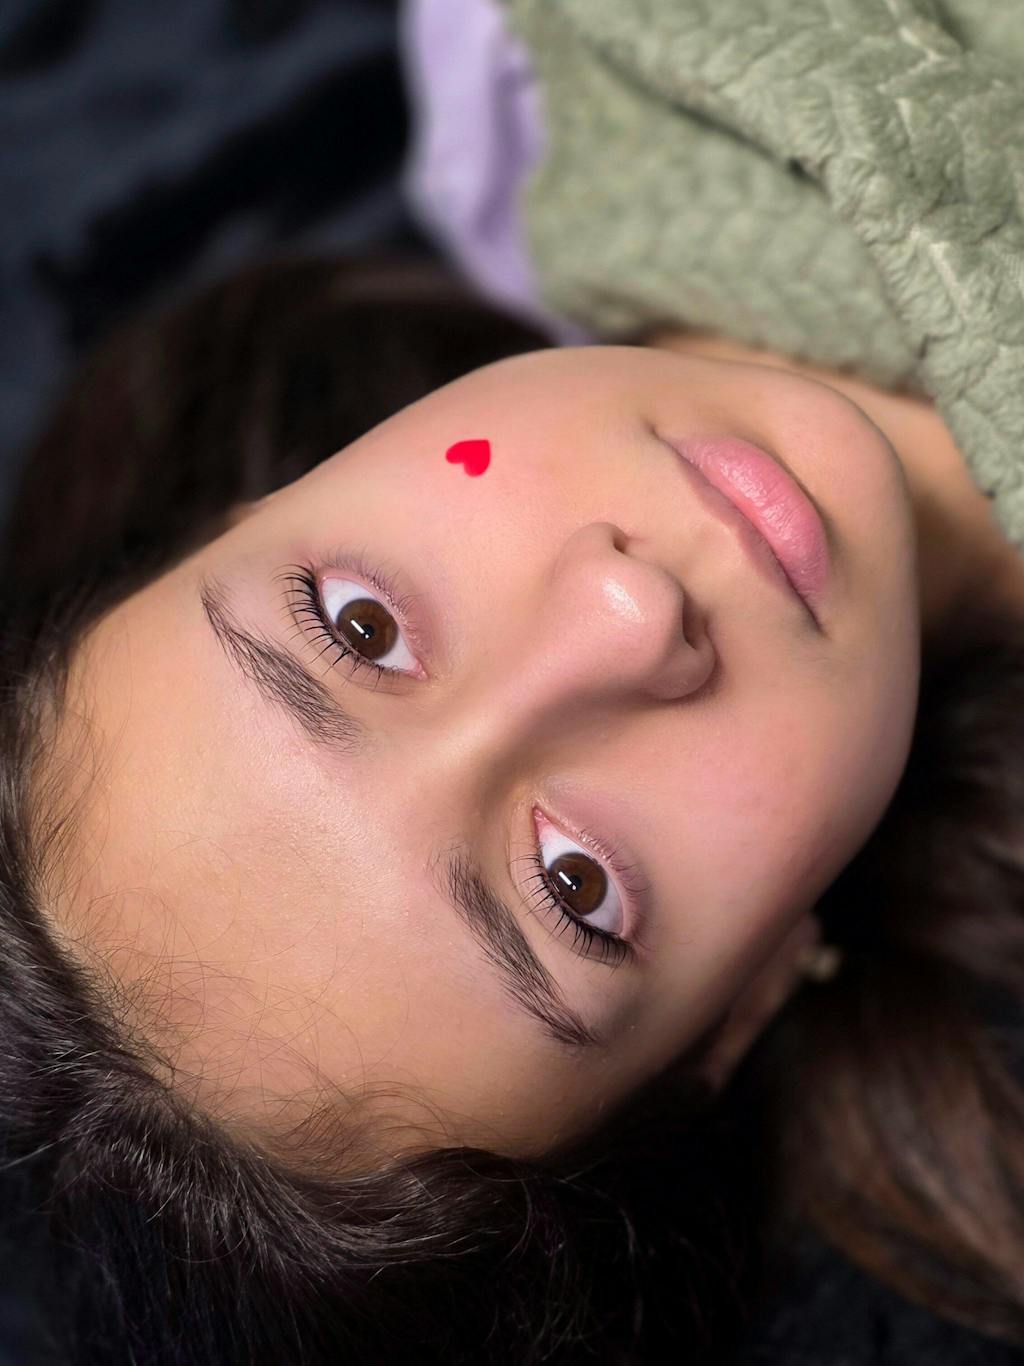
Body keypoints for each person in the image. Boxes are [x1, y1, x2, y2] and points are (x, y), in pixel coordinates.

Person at [3, 249, 1024, 1365]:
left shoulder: (514, 150)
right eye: (575, 886)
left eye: (358, 627)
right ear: (745, 1002)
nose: (626, 610)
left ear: (257, 502)